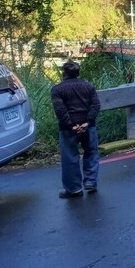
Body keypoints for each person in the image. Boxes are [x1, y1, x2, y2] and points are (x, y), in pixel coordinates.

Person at [50, 60, 101, 198]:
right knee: (91, 152)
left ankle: (74, 189)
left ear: (64, 73)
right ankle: (91, 182)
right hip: (88, 127)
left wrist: (71, 125)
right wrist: (87, 122)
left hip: (68, 129)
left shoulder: (57, 90)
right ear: (78, 73)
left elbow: (60, 110)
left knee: (70, 157)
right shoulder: (88, 87)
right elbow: (96, 105)